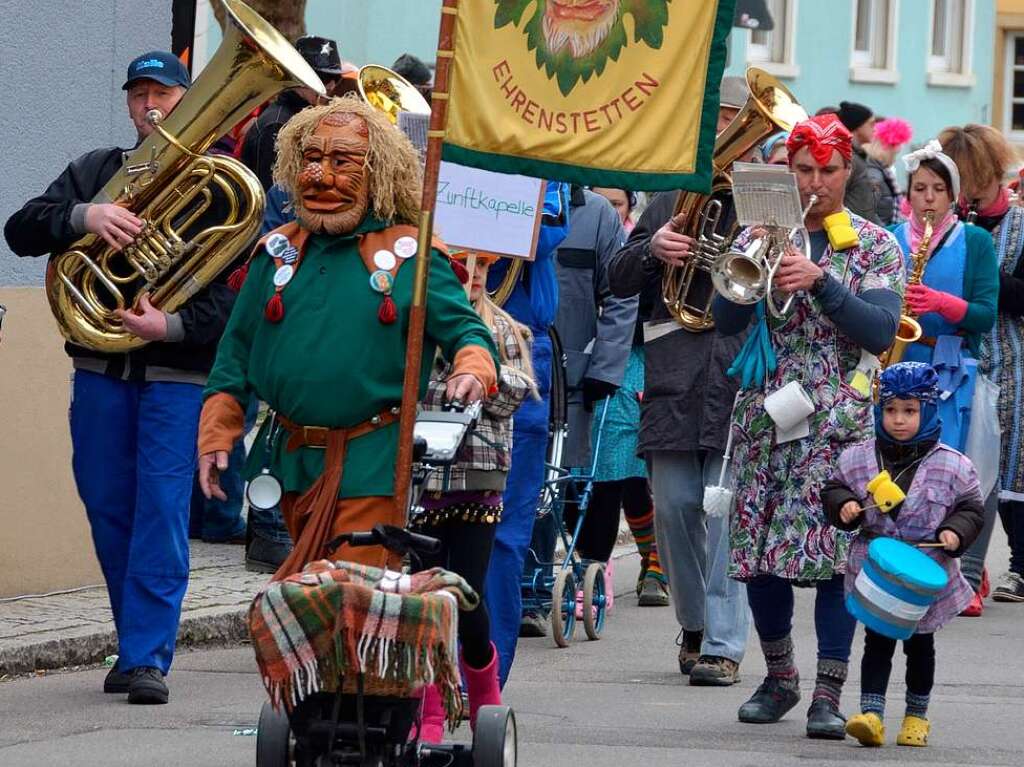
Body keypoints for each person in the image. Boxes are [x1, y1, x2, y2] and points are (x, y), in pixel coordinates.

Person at [3, 52, 238, 705]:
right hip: (99, 366)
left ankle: (145, 656)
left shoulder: (219, 181)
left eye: (162, 93)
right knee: (107, 504)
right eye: (139, 96)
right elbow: (21, 229)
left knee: (160, 511)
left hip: (174, 372)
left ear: (188, 99)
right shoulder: (96, 171)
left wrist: (173, 325)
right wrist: (85, 217)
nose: (150, 105)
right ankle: (135, 638)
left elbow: (234, 295)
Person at [197, 98, 498, 580]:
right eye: (311, 160)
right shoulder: (275, 254)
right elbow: (234, 354)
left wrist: (471, 368)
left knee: (347, 598)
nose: (321, 176)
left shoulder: (412, 255)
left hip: (374, 461)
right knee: (313, 601)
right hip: (292, 460)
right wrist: (218, 432)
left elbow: (467, 329)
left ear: (377, 172)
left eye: (342, 162)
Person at [712, 113, 905, 737]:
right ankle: (779, 678)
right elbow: (725, 321)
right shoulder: (761, 231)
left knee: (832, 555)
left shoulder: (875, 245)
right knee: (760, 554)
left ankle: (828, 692)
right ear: (787, 172)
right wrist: (750, 258)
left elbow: (880, 331)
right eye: (803, 171)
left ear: (848, 172)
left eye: (827, 171)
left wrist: (823, 283)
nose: (814, 183)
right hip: (766, 416)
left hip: (837, 422)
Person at [603, 79, 762, 687]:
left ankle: (724, 643)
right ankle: (693, 624)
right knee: (672, 508)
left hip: (735, 371)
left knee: (721, 513)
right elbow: (617, 277)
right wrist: (652, 249)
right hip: (672, 373)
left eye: (731, 122)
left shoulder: (764, 197)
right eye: (717, 120)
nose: (722, 133)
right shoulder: (668, 194)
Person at [824, 362, 984, 748]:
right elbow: (834, 489)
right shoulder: (859, 458)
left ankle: (916, 715)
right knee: (876, 641)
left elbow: (972, 509)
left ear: (927, 411)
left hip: (925, 573)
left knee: (919, 645)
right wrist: (843, 505)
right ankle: (871, 715)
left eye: (910, 411)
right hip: (878, 571)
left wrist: (954, 532)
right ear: (879, 411)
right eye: (891, 410)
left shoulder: (953, 464)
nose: (899, 420)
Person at [413, 249, 535, 741]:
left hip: (475, 480)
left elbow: (515, 396)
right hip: (422, 480)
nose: (476, 277)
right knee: (424, 599)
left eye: (484, 268)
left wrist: (480, 375)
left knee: (467, 596)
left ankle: (484, 695)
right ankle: (431, 710)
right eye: (467, 268)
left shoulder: (503, 328)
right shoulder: (420, 322)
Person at [519, 184, 636, 635]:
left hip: (570, 375)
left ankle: (532, 591)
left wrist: (606, 368)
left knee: (550, 484)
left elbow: (622, 295)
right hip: (502, 364)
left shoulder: (600, 213)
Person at [482, 182, 570, 688]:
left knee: (500, 534)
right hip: (424, 335)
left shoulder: (541, 163)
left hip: (515, 342)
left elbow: (547, 231)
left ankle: (483, 681)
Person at [939, 124, 1024, 606]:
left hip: (1010, 356)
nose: (967, 195)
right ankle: (962, 567)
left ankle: (1015, 566)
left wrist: (985, 280)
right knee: (955, 461)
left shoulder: (1019, 224)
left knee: (1005, 466)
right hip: (954, 354)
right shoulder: (949, 224)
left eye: (975, 182)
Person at [888, 140, 997, 453]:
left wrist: (940, 302)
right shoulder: (888, 236)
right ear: (908, 194)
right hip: (894, 363)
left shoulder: (976, 241)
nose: (929, 198)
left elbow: (986, 316)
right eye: (920, 188)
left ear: (953, 195)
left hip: (947, 367)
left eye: (938, 188)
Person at [240, 35, 345, 192]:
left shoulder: (296, 118)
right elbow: (271, 194)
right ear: (299, 76)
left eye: (336, 79)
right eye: (323, 78)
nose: (330, 86)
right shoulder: (278, 125)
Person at [818, 103, 881, 224]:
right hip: (847, 231)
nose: (875, 128)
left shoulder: (858, 156)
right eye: (871, 124)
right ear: (858, 126)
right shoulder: (847, 159)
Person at [864, 118, 913, 225]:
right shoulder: (875, 175)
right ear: (886, 148)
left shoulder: (880, 172)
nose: (895, 159)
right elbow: (866, 213)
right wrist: (885, 233)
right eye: (895, 154)